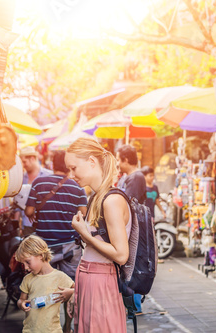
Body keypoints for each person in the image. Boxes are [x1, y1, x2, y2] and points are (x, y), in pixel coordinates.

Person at [65, 137, 130, 333]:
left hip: (101, 283)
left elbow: (121, 254)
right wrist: (76, 290)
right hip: (91, 281)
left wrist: (86, 235)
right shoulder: (95, 197)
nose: (71, 174)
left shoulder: (111, 200)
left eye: (74, 167)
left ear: (92, 162)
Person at [25, 150, 87, 332]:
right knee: (70, 288)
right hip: (70, 246)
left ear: (52, 163)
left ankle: (47, 326)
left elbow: (28, 212)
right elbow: (83, 215)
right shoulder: (78, 187)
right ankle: (67, 327)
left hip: (45, 249)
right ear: (69, 166)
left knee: (44, 291)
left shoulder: (39, 182)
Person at [16, 235, 75, 333]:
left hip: (53, 330)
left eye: (28, 262)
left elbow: (80, 290)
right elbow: (21, 299)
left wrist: (71, 292)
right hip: (30, 330)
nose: (25, 267)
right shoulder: (28, 279)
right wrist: (21, 304)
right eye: (23, 264)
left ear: (41, 255)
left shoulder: (59, 277)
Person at [116, 144, 146, 313]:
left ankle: (134, 306)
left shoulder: (136, 177)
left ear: (126, 160)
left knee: (132, 267)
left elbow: (129, 204)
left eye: (119, 160)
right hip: (128, 228)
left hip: (133, 229)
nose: (118, 164)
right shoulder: (129, 177)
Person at [19, 146, 52, 236]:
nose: (23, 164)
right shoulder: (21, 178)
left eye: (24, 161)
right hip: (27, 225)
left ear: (32, 158)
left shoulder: (48, 175)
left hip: (46, 223)